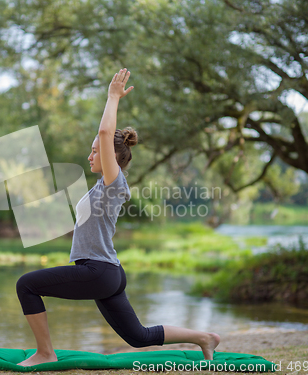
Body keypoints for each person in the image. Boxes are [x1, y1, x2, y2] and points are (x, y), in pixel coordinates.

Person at [16, 68, 220, 367]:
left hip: (98, 271)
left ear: (112, 158)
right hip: (108, 271)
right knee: (137, 336)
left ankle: (46, 353)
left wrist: (112, 98)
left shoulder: (115, 184)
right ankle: (205, 337)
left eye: (95, 151)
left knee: (26, 285)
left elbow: (104, 133)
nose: (90, 155)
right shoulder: (101, 186)